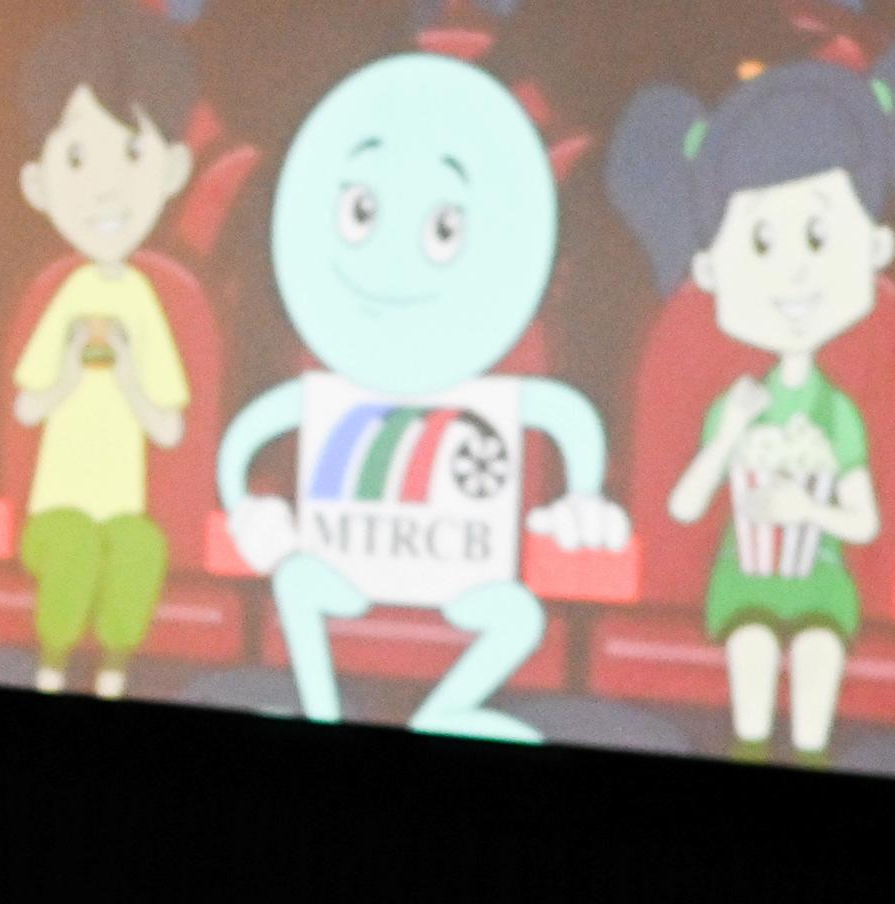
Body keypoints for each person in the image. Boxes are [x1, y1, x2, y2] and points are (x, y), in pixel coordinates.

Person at [606, 16, 895, 766]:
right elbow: (680, 508)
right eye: (760, 241)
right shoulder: (702, 356)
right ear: (710, 265)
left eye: (818, 238)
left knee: (818, 663)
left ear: (877, 248)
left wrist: (811, 509)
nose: (791, 273)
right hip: (734, 588)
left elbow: (868, 516)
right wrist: (723, 444)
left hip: (825, 592)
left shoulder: (865, 370)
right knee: (749, 652)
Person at [215, 51, 633, 744]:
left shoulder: (513, 374)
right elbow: (248, 440)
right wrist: (247, 505)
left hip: (470, 586)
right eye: (360, 213)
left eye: (443, 231)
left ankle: (445, 712)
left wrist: (582, 499)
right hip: (341, 575)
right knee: (297, 585)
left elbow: (569, 424)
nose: (392, 262)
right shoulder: (323, 375)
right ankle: (319, 705)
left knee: (518, 618)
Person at [9, 5, 205, 701]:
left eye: (131, 154)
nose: (104, 187)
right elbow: (29, 405)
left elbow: (171, 426)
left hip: (124, 509)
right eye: (77, 158)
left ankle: (116, 675)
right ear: (39, 183)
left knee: (136, 549)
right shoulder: (61, 295)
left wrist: (128, 378)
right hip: (56, 510)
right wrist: (66, 373)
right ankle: (53, 668)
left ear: (173, 167)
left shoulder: (150, 301)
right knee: (75, 550)